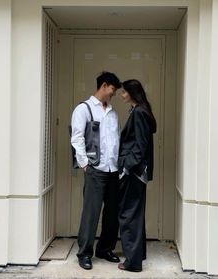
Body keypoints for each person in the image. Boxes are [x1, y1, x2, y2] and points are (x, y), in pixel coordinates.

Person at [71, 71, 121, 270]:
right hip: (95, 169)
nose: (113, 94)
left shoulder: (113, 112)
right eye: (112, 90)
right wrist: (84, 164)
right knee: (91, 213)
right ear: (104, 86)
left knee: (112, 213)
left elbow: (115, 139)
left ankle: (104, 249)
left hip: (113, 170)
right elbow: (77, 138)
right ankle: (84, 253)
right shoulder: (83, 109)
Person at [117, 79, 157, 272]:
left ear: (132, 93)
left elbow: (139, 147)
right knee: (135, 213)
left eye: (124, 92)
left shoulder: (139, 113)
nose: (122, 95)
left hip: (133, 172)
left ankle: (132, 262)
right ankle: (138, 255)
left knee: (128, 215)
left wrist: (126, 168)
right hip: (137, 172)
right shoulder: (139, 110)